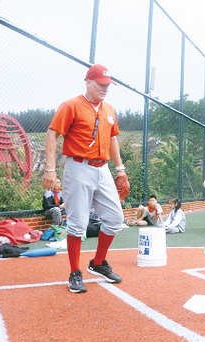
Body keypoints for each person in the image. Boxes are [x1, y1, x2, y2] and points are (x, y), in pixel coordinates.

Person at [43, 64, 126, 293]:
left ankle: (98, 263)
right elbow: (52, 133)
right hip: (78, 167)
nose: (105, 88)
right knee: (78, 224)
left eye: (107, 85)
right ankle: (74, 272)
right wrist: (50, 169)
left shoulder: (108, 108)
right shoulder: (71, 105)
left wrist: (121, 169)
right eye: (101, 83)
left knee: (115, 218)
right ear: (88, 82)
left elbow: (112, 139)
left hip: (103, 169)